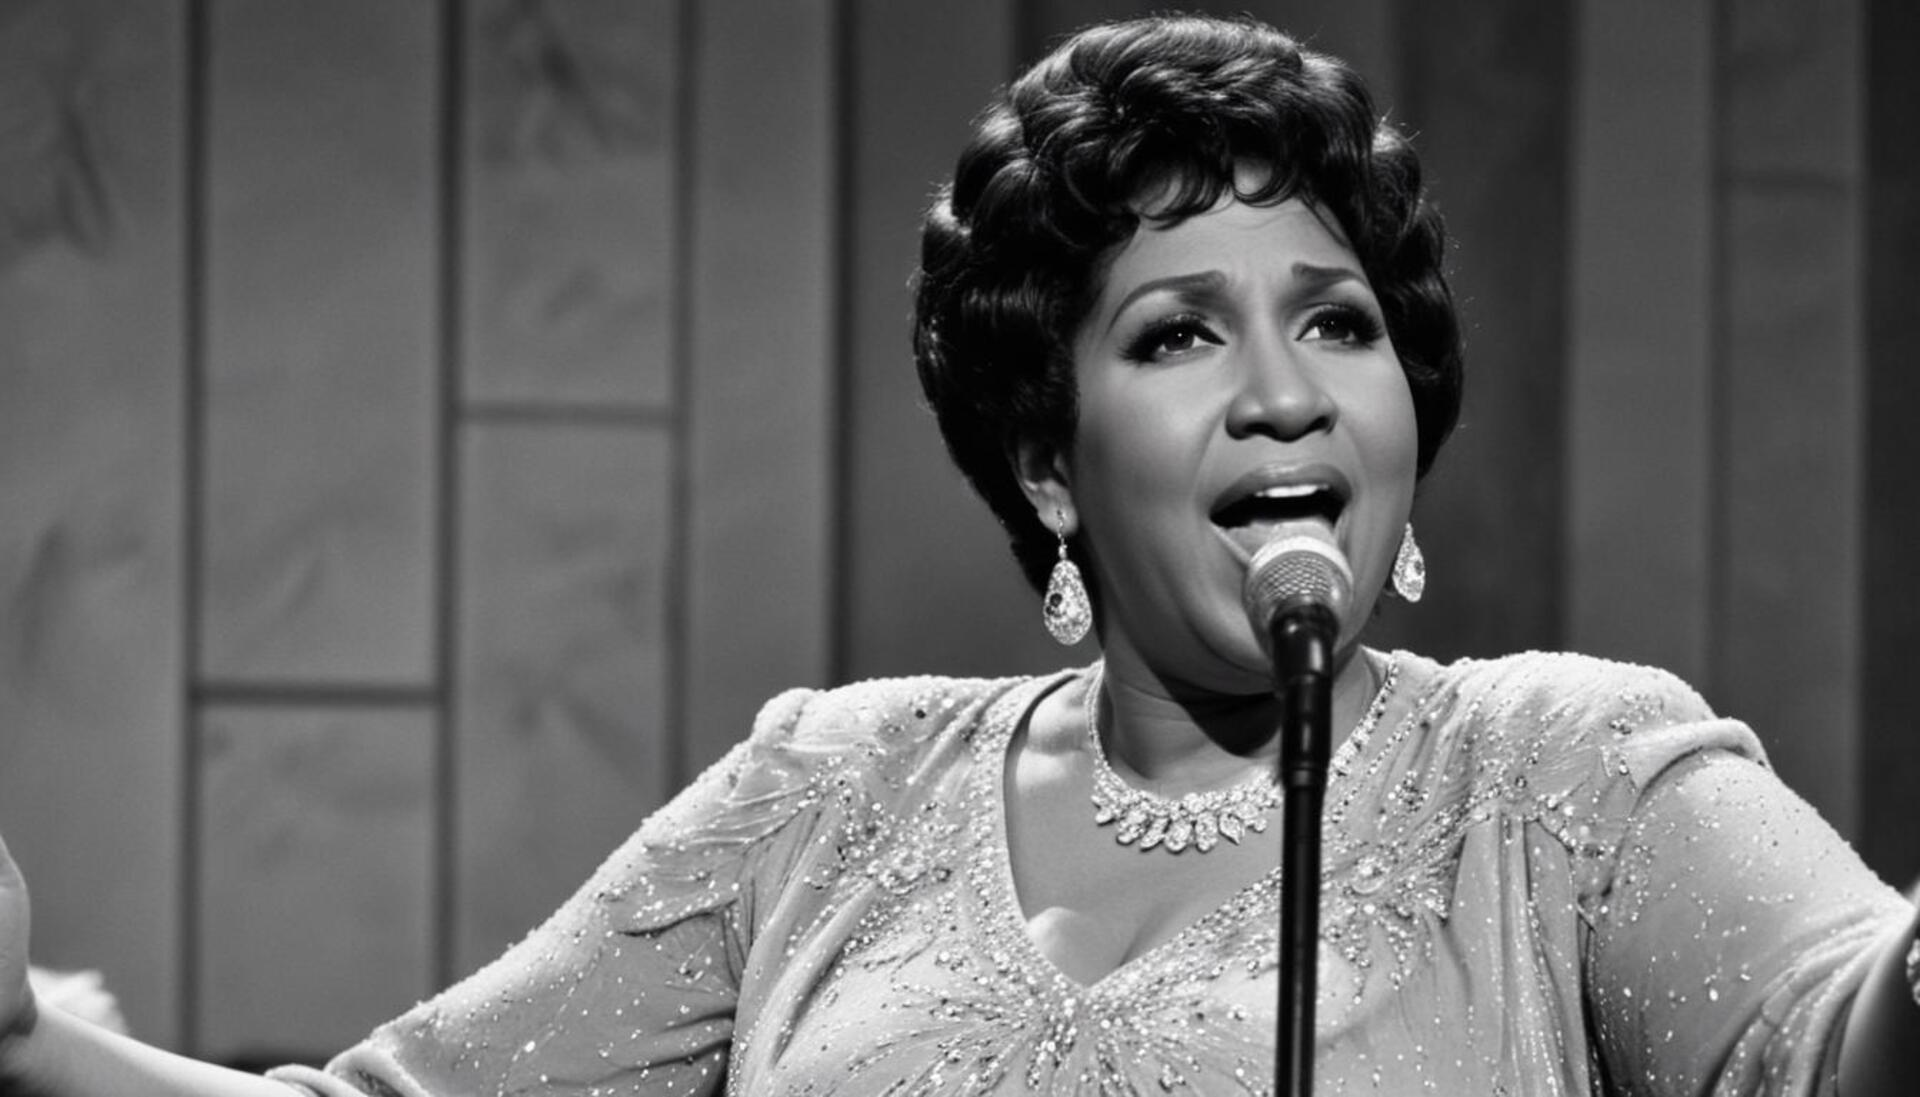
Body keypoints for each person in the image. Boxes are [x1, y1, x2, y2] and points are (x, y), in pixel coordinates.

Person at [2, 12, 1917, 1095]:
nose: (1285, 394)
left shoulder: (1564, 777)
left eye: (1338, 321)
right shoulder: (826, 791)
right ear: (1049, 464)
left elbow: (1844, 1038)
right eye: (1179, 333)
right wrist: (17, 1036)